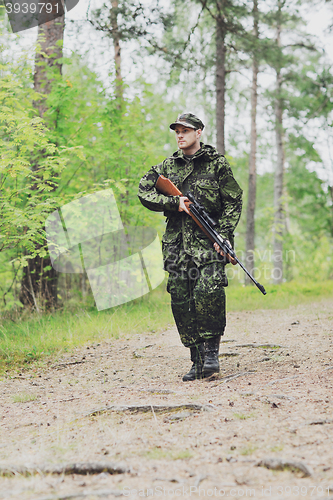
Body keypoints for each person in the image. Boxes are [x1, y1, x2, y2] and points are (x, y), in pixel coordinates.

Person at [138, 113, 243, 381]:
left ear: (199, 133)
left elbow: (234, 200)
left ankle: (211, 357)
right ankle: (196, 360)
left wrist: (225, 235)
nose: (180, 135)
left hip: (208, 244)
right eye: (177, 131)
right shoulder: (166, 167)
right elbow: (144, 192)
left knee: (209, 296)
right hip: (176, 246)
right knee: (181, 302)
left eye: (186, 131)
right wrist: (175, 204)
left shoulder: (217, 164)